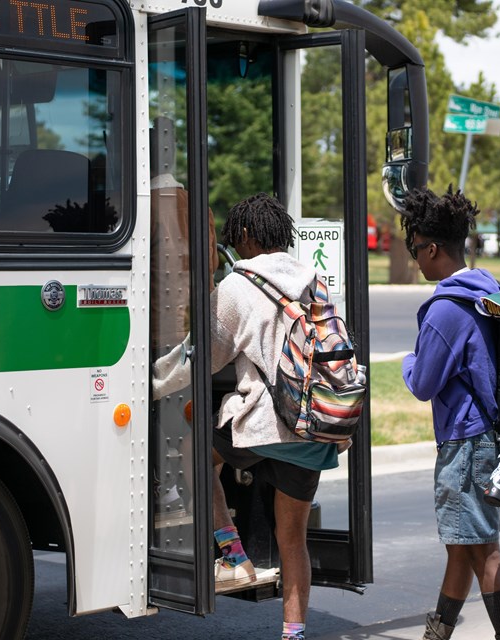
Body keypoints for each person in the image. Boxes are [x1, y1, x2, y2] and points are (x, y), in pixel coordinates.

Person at [152, 192, 339, 640]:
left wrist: (151, 381)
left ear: (249, 236)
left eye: (237, 236)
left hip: (261, 424)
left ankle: (234, 557)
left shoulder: (237, 285)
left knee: (193, 455)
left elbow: (202, 358)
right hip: (312, 428)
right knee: (292, 540)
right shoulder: (315, 280)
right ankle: (293, 635)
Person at [400, 186, 500, 640]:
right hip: (499, 441)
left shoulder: (446, 310)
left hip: (468, 444)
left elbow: (422, 383)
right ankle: (438, 634)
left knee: (483, 553)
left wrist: (406, 360)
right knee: (463, 548)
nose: (415, 259)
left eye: (415, 249)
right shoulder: (492, 291)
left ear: (432, 248)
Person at [150, 115, 219, 523]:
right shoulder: (197, 206)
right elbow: (209, 266)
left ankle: (165, 488)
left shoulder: (134, 207)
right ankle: (183, 490)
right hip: (193, 331)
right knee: (185, 417)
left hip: (154, 331)